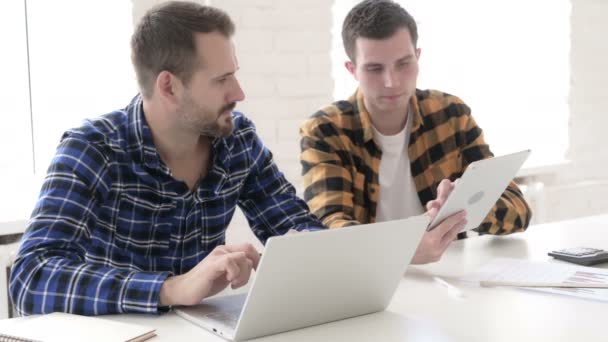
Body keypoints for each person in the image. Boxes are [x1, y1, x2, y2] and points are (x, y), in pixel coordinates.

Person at [10, 1, 324, 316]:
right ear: (169, 86)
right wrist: (170, 288)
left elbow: (294, 224)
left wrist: (303, 251)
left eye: (234, 75)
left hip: (197, 333)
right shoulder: (93, 147)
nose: (239, 93)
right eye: (221, 79)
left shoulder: (237, 139)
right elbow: (30, 278)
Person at [300, 0, 532, 264]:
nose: (392, 81)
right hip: (364, 283)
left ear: (418, 57)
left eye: (403, 64)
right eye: (375, 68)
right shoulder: (325, 130)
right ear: (352, 70)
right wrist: (402, 250)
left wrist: (463, 205)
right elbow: (329, 228)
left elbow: (519, 209)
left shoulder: (451, 114)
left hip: (447, 277)